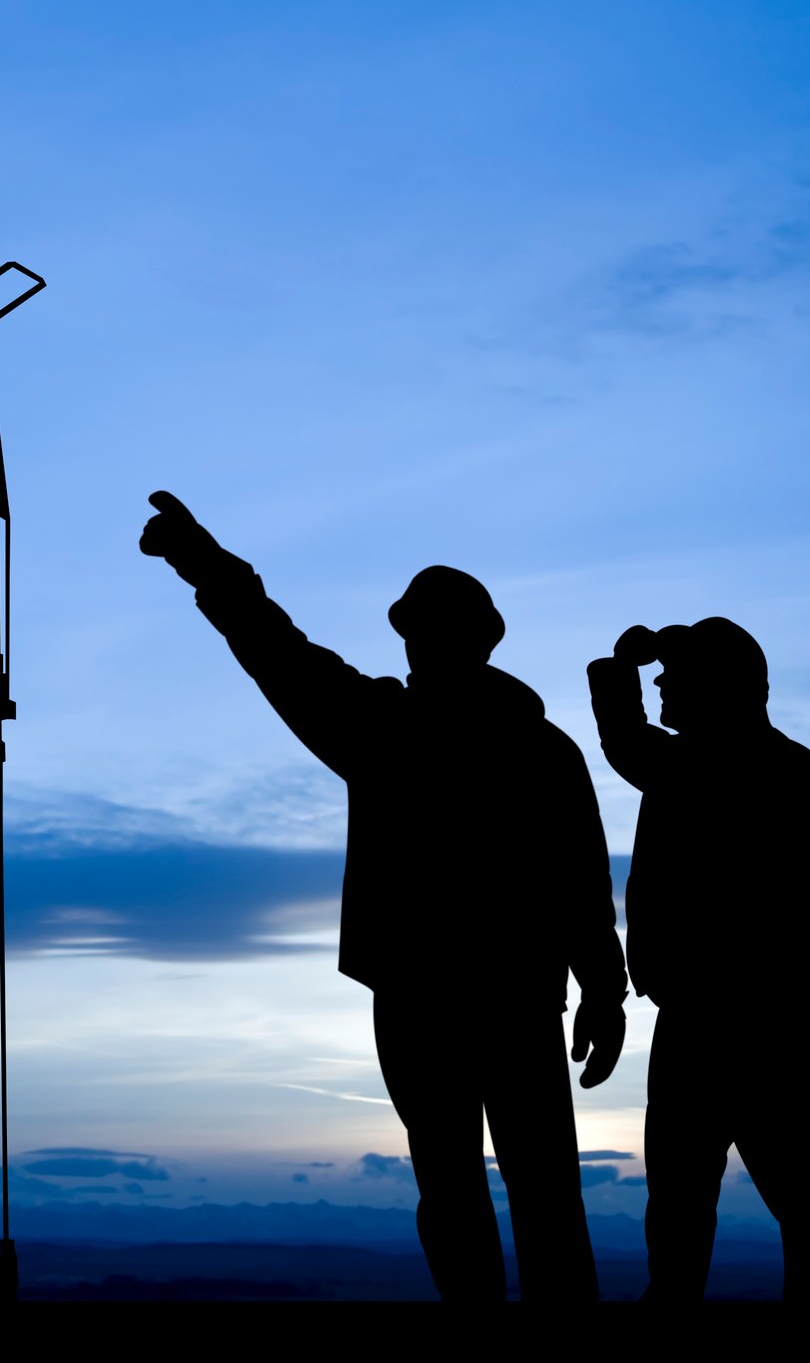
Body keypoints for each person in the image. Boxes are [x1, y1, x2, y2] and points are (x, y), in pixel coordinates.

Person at [140, 491, 627, 1301]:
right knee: (491, 1186)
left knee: (504, 1186)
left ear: (454, 639)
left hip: (452, 993)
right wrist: (204, 563)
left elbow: (580, 881)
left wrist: (604, 992)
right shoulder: (462, 736)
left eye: (424, 631)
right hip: (468, 993)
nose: (415, 647)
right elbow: (273, 646)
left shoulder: (418, 733)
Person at [587, 619, 810, 1301]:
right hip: (734, 1021)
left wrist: (622, 663)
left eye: (673, 680)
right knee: (701, 1197)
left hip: (744, 1024)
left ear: (716, 688)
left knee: (773, 1194)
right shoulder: (771, 770)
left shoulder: (718, 769)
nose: (662, 687)